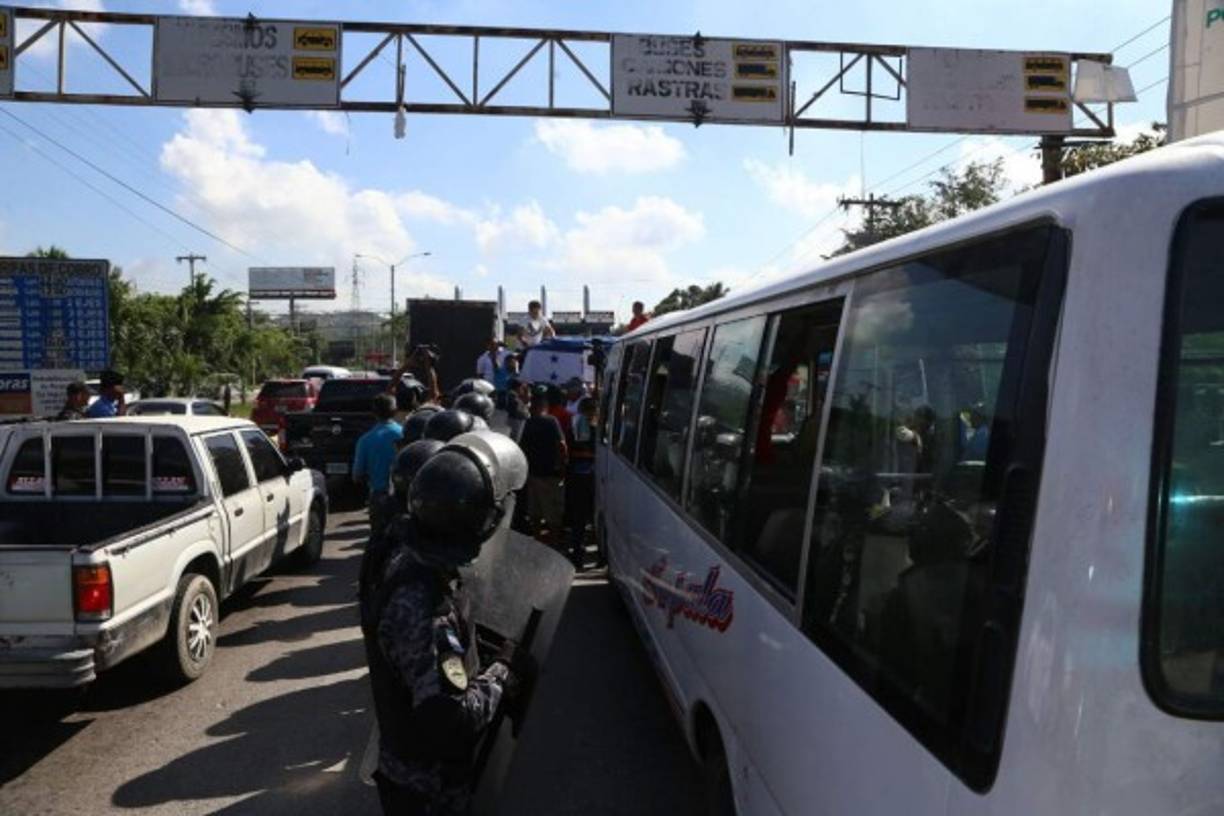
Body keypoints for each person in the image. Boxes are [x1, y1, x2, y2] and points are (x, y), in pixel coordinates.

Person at [364, 435, 528, 815]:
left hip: (411, 772)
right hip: (426, 787)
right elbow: (451, 717)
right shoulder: (424, 603)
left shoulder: (408, 557)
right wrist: (502, 672)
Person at [353, 394, 404, 541]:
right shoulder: (405, 434)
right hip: (403, 498)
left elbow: (357, 476)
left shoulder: (365, 440)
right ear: (395, 411)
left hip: (378, 497)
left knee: (378, 540)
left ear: (374, 413)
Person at [518, 392, 567, 543]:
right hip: (550, 474)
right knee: (553, 511)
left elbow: (521, 447)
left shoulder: (527, 423)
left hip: (533, 474)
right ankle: (555, 542)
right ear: (544, 406)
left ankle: (537, 539)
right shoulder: (552, 421)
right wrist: (563, 465)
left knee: (535, 511)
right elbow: (562, 445)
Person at [564, 397, 598, 569]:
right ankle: (587, 555)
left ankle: (577, 554)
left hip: (576, 477)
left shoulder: (573, 426)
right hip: (588, 478)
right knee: (589, 518)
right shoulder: (589, 427)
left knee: (579, 519)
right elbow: (590, 451)